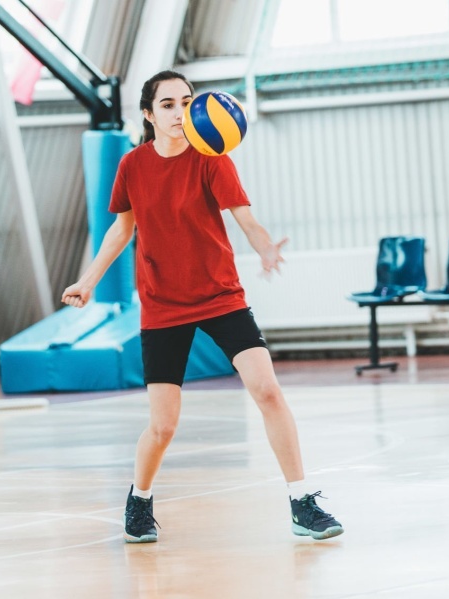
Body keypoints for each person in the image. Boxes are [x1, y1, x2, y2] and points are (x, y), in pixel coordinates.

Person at [62, 70, 343, 543]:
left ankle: (301, 501)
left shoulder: (212, 157)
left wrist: (264, 246)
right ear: (148, 114)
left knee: (267, 391)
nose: (180, 112)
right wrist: (87, 281)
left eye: (187, 102)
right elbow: (122, 229)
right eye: (168, 104)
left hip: (220, 296)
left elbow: (245, 217)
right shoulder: (132, 165)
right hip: (163, 304)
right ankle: (140, 500)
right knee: (163, 425)